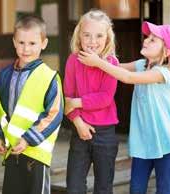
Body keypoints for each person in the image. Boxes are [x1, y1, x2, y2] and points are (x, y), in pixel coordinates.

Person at [79, 21, 170, 194]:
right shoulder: (140, 65)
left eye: (153, 40)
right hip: (143, 144)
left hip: (166, 142)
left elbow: (127, 77)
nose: (146, 40)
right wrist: (99, 53)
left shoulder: (163, 73)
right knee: (136, 189)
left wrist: (98, 62)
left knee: (165, 190)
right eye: (147, 37)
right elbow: (115, 68)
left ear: (166, 52)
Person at [0, 15, 64, 194]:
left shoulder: (50, 77)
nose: (26, 49)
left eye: (32, 43)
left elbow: (54, 114)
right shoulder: (4, 75)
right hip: (12, 152)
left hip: (36, 154)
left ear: (43, 43)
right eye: (21, 42)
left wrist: (28, 139)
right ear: (14, 42)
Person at [63, 10, 119, 194]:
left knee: (104, 187)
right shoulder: (73, 60)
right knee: (74, 186)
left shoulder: (111, 63)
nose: (92, 41)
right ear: (79, 35)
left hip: (105, 134)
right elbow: (67, 96)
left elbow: (105, 98)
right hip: (79, 130)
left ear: (107, 37)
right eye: (87, 35)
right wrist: (78, 123)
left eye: (99, 35)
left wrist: (77, 102)